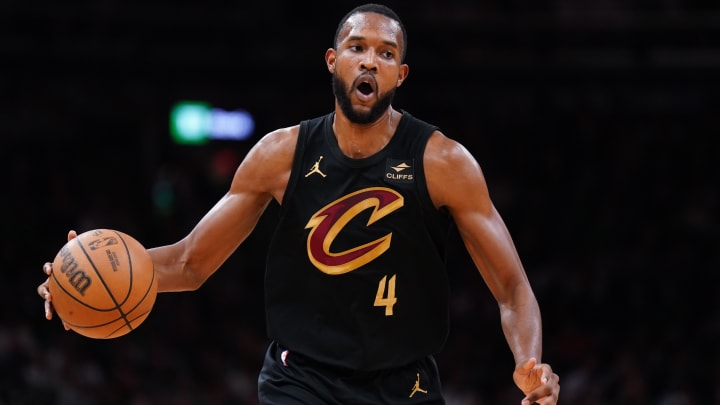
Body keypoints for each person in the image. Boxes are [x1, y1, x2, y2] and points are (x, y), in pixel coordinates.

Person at [38, 3, 560, 404]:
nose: (370, 61)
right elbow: (188, 263)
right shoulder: (280, 154)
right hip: (300, 379)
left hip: (405, 383)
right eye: (358, 47)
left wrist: (529, 361)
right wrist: (79, 276)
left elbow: (513, 288)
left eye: (386, 53)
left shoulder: (444, 162)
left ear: (401, 75)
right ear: (333, 60)